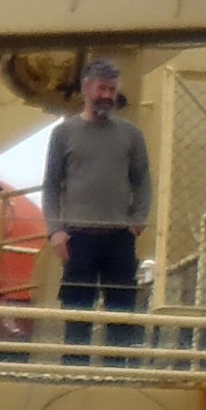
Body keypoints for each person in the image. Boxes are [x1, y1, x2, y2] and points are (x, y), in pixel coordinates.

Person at [43, 61, 151, 353]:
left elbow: (142, 181)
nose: (107, 95)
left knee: (122, 313)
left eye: (112, 89)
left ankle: (117, 375)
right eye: (102, 88)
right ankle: (74, 374)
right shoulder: (63, 133)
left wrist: (138, 220)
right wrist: (55, 231)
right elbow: (51, 185)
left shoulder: (131, 135)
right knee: (77, 314)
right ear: (86, 89)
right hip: (78, 237)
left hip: (119, 237)